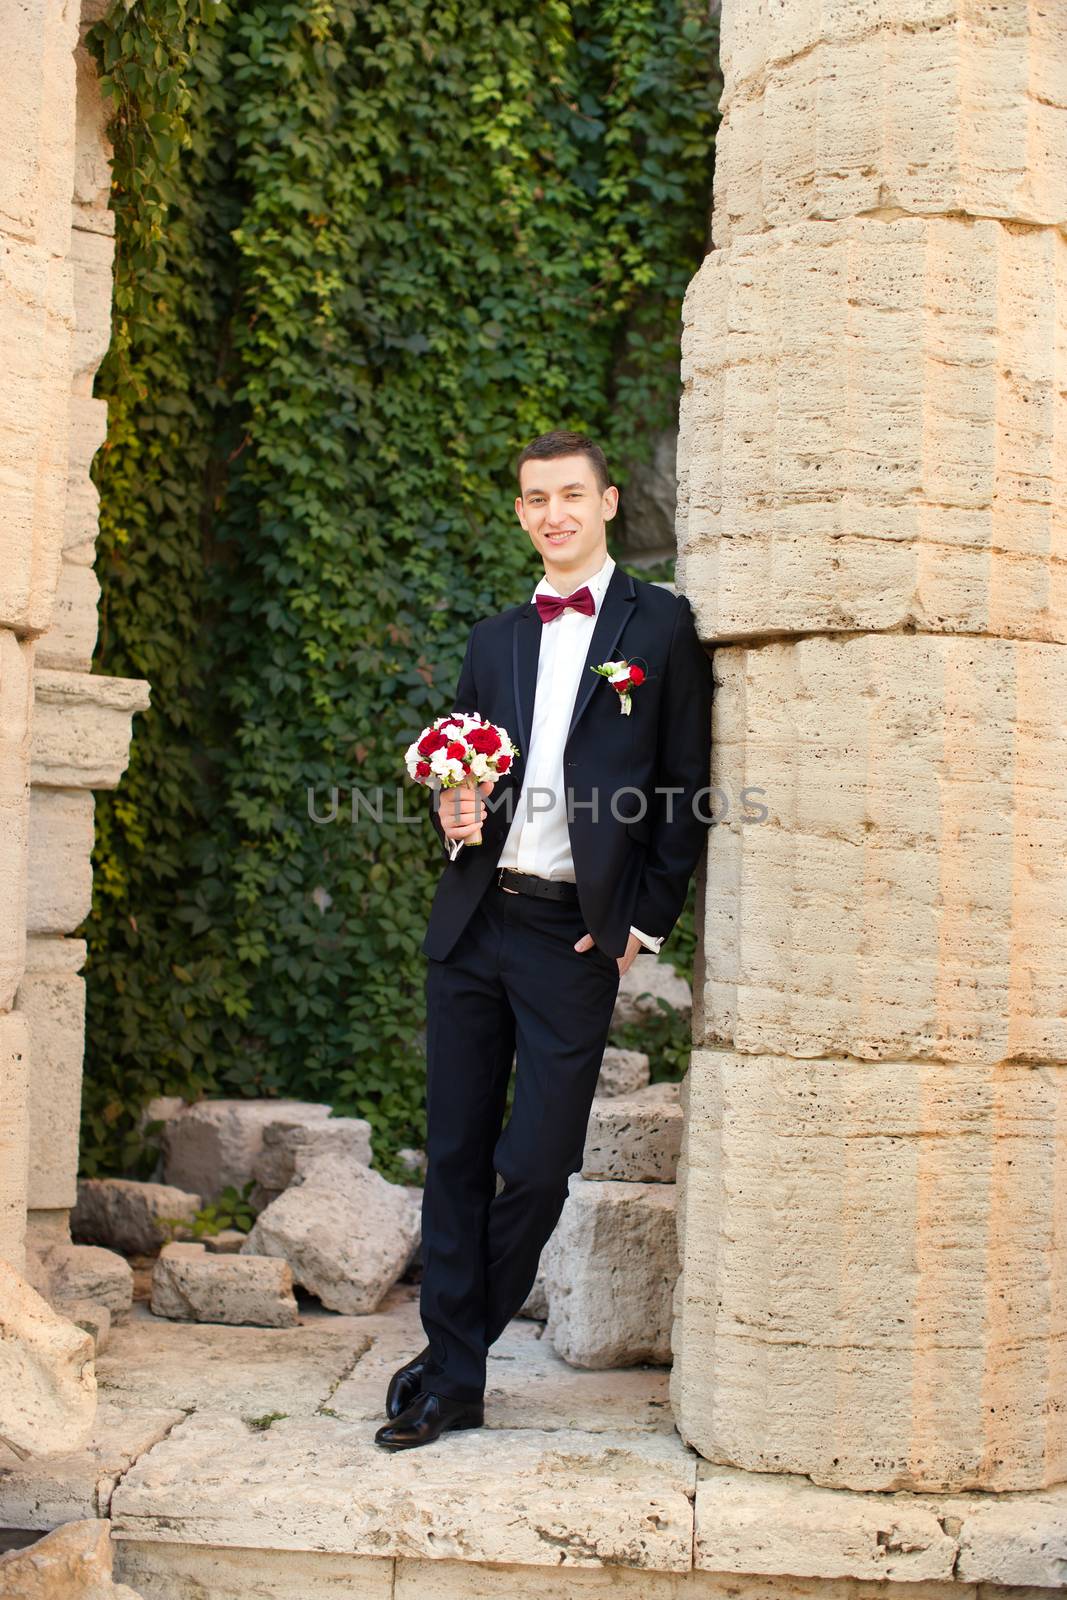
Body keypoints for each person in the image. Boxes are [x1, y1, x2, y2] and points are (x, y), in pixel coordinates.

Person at [374, 430, 713, 1450]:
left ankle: (451, 1349)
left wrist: (642, 924)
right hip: (476, 918)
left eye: (570, 494)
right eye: (534, 497)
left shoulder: (662, 627)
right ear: (520, 511)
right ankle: (455, 1378)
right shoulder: (494, 637)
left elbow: (682, 789)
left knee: (536, 1162)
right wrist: (452, 809)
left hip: (575, 934)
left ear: (608, 503)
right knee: (453, 1152)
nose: (552, 511)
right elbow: (467, 770)